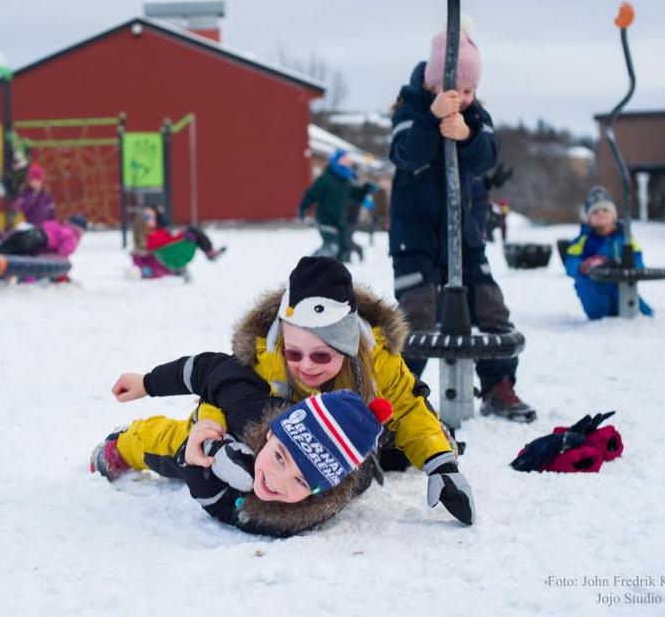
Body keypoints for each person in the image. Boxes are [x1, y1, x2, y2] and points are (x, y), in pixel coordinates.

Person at [92, 256, 475, 526]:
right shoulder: (264, 357)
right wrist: (205, 437)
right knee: (189, 448)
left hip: (330, 445)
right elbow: (218, 394)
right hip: (264, 434)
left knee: (396, 440)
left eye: (321, 356)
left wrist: (440, 462)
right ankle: (127, 444)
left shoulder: (377, 362)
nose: (306, 365)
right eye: (295, 353)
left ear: (345, 347)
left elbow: (407, 408)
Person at [388, 17, 536, 423]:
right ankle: (402, 398)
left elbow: (488, 156)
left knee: (489, 306)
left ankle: (497, 385)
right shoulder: (411, 108)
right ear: (435, 84)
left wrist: (467, 135)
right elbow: (405, 154)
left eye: (471, 91)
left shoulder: (476, 115)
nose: (466, 97)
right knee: (416, 313)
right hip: (415, 237)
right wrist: (431, 122)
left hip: (466, 234)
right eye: (458, 90)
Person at [93, 387, 392, 537]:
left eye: (301, 481)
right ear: (271, 436)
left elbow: (222, 507)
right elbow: (217, 376)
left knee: (196, 456)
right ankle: (126, 443)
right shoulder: (249, 412)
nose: (278, 479)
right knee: (176, 443)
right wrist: (204, 439)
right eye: (279, 458)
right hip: (225, 417)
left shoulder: (312, 509)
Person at [564, 185, 653, 319]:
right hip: (595, 287)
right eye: (595, 211)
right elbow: (571, 262)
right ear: (588, 218)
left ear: (614, 215)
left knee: (644, 314)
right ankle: (600, 317)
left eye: (605, 210)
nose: (600, 214)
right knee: (586, 287)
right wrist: (583, 266)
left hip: (621, 286)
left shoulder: (625, 238)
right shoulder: (583, 241)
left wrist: (633, 265)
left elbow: (637, 258)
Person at [129, 206, 225, 279]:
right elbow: (167, 243)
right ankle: (209, 252)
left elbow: (168, 238)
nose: (154, 219)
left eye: (153, 216)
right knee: (193, 230)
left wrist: (181, 235)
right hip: (171, 253)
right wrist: (182, 236)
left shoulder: (157, 231)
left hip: (173, 250)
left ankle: (209, 252)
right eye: (149, 218)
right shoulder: (151, 237)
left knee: (194, 231)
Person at [298, 149, 355, 262]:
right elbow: (311, 194)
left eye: (348, 160)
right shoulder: (326, 178)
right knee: (331, 246)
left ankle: (335, 276)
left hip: (340, 221)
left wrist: (365, 191)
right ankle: (309, 265)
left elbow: (354, 196)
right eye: (344, 159)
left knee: (343, 250)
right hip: (325, 219)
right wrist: (303, 207)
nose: (347, 162)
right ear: (336, 161)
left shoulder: (347, 180)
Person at [13, 161, 55, 226]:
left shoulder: (46, 195)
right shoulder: (24, 193)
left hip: (44, 226)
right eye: (33, 180)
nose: (36, 183)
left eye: (38, 180)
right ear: (29, 181)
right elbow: (21, 209)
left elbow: (51, 212)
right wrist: (33, 196)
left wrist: (52, 224)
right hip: (29, 226)